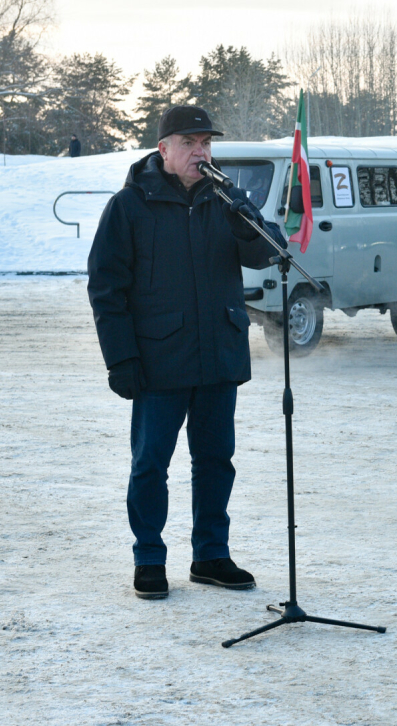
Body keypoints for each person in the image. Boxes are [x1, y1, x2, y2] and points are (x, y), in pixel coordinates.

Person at [87, 105, 288, 600]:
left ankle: (211, 555)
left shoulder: (227, 200)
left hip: (218, 352)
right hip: (158, 360)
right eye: (189, 143)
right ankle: (149, 557)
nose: (201, 152)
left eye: (207, 144)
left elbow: (271, 252)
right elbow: (106, 289)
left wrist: (245, 216)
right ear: (164, 149)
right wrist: (122, 359)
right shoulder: (130, 205)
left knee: (216, 460)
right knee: (151, 463)